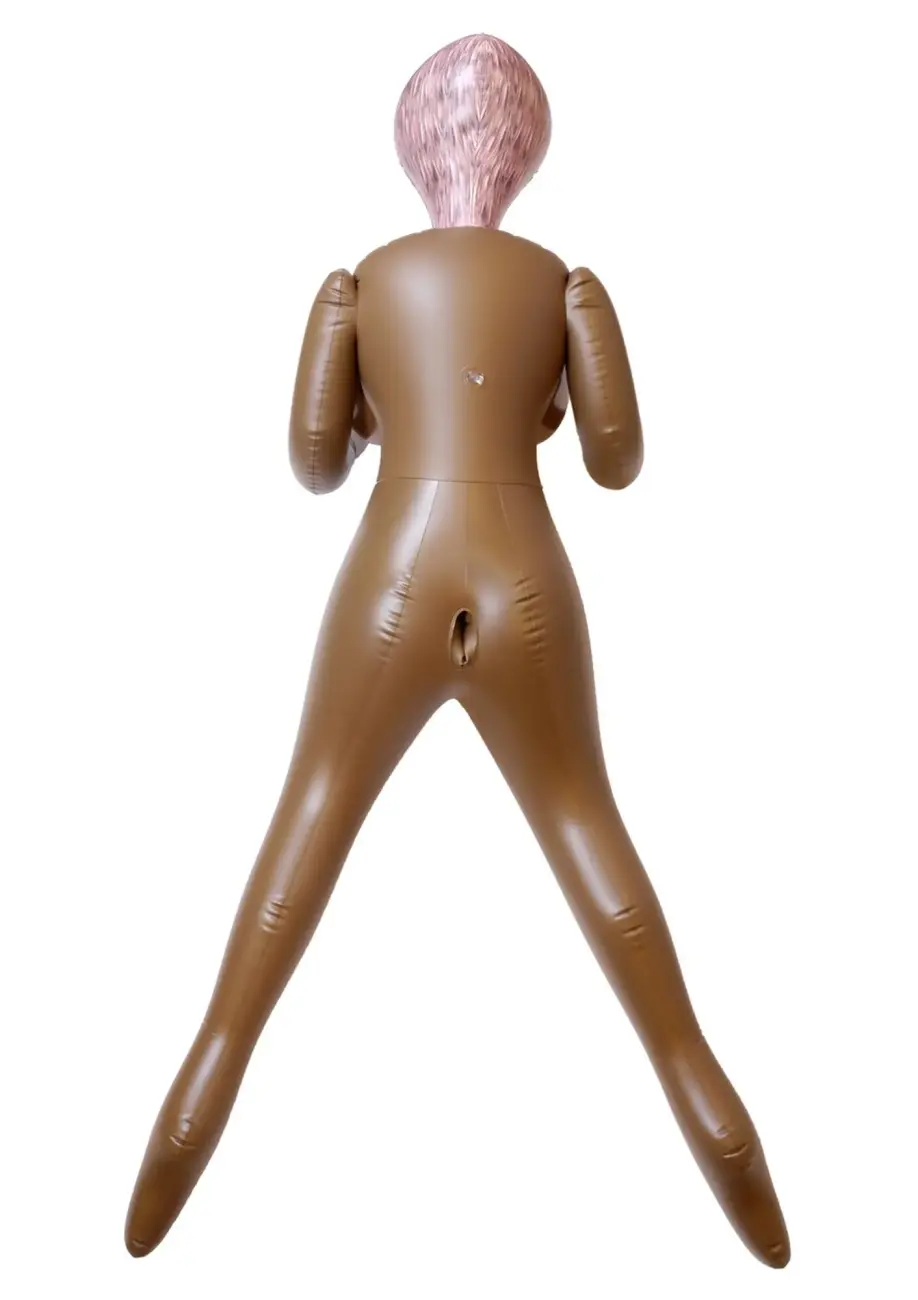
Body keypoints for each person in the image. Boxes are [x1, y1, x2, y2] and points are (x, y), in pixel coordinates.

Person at [125, 33, 790, 1267]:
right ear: (527, 156)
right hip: (526, 573)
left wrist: (355, 365)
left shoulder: (364, 280)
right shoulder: (564, 281)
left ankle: (184, 1122)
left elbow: (314, 463)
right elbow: (616, 460)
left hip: (391, 571)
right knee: (592, 835)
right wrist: (563, 360)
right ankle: (727, 1138)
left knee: (306, 826)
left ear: (411, 147)